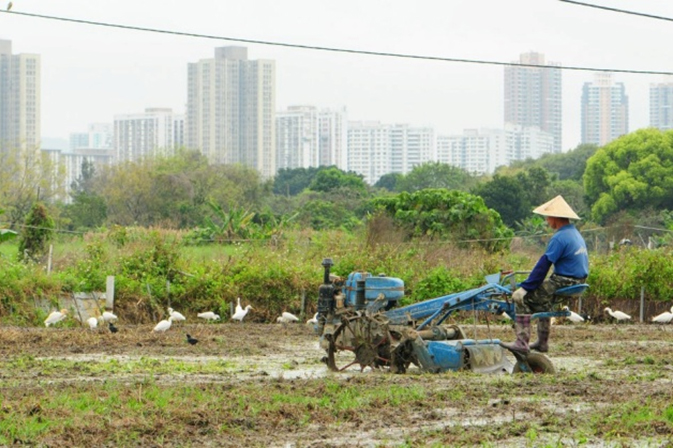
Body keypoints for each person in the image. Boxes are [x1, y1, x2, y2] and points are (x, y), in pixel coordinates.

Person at [501, 195, 589, 355]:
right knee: (543, 298)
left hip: (565, 281)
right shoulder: (575, 234)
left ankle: (521, 342)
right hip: (578, 281)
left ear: (556, 217)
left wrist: (525, 288)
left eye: (548, 217)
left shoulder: (560, 237)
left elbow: (543, 265)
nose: (547, 221)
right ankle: (542, 342)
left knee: (523, 298)